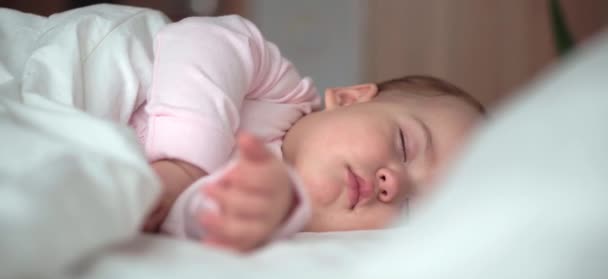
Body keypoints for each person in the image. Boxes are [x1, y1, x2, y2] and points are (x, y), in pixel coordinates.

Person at [131, 15, 485, 251]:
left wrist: (240, 216)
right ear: (349, 99)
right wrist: (185, 167)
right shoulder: (278, 92)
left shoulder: (274, 231)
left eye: (410, 209)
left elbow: (181, 221)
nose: (392, 184)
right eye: (405, 145)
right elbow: (203, 39)